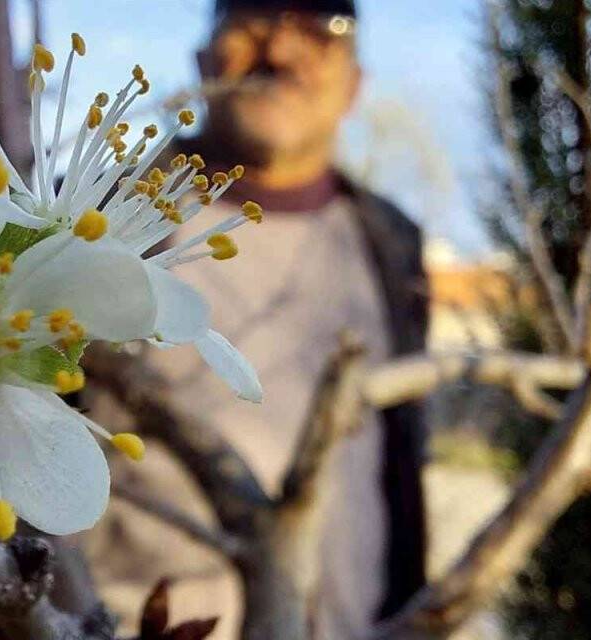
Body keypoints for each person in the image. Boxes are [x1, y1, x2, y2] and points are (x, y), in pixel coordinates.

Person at [82, 1, 430, 636]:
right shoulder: (102, 220)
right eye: (250, 19)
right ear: (203, 61)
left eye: (322, 29)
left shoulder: (392, 244)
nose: (280, 52)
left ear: (355, 86)